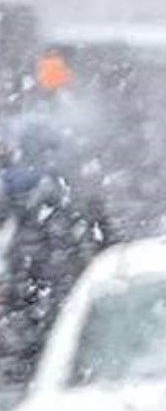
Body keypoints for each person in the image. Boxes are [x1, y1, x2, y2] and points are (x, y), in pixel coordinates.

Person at [0, 110, 113, 386]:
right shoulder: (72, 195)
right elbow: (102, 244)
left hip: (27, 298)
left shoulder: (14, 192)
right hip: (67, 302)